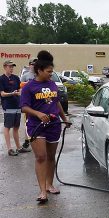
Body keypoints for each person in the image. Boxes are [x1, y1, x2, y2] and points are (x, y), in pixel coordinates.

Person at [20, 51, 70, 203]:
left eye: (52, 71)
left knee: (51, 157)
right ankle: (42, 191)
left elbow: (56, 103)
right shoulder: (29, 87)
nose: (51, 74)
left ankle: (50, 184)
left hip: (54, 125)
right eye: (48, 72)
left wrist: (64, 118)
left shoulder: (52, 84)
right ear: (39, 70)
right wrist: (37, 113)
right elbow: (23, 107)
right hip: (36, 125)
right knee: (41, 157)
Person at [0, 60, 30, 156]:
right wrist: (12, 93)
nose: (11, 68)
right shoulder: (1, 79)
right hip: (8, 106)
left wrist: (20, 91)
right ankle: (9, 149)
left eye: (12, 67)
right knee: (7, 127)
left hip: (17, 105)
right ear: (5, 67)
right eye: (10, 66)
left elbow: (19, 88)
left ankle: (18, 147)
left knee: (16, 127)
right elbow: (2, 94)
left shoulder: (16, 78)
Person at [20, 58, 37, 150]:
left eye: (35, 64)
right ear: (29, 65)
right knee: (28, 121)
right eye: (32, 64)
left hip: (38, 102)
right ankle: (27, 140)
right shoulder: (25, 76)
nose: (34, 66)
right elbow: (21, 90)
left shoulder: (39, 75)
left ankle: (37, 137)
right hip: (28, 103)